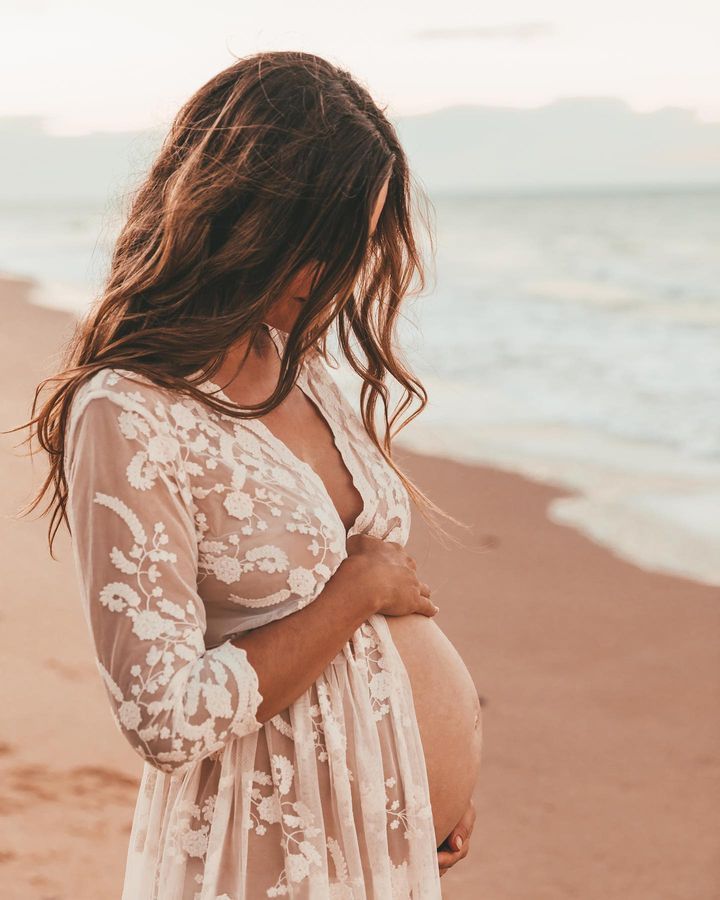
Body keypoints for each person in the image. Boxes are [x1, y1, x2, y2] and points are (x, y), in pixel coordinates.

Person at [18, 50, 478, 897]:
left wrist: (424, 778)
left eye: (361, 241)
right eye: (324, 241)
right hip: (259, 850)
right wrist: (359, 591)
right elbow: (162, 714)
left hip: (384, 851)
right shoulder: (129, 410)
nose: (338, 273)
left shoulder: (306, 373)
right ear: (241, 214)